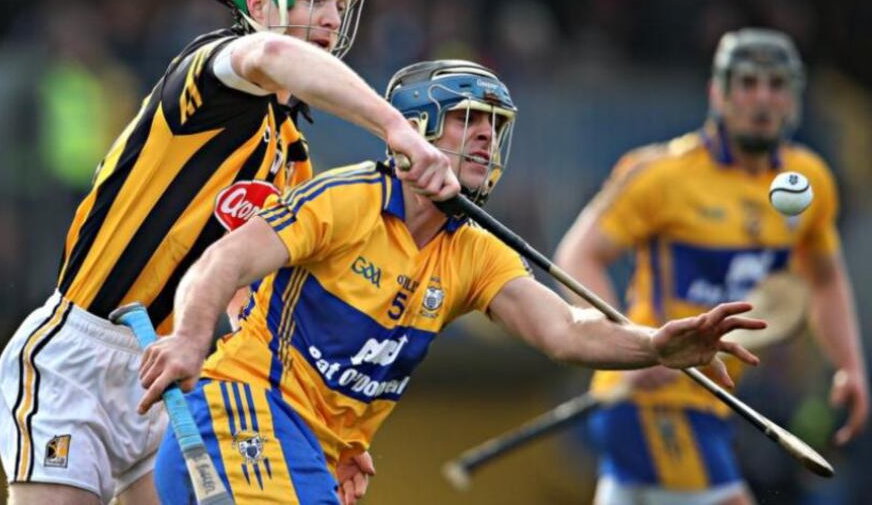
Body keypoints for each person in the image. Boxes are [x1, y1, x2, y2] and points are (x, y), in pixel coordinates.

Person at [138, 59, 765, 504]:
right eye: (468, 119)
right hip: (242, 413)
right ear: (415, 128)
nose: (487, 136)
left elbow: (565, 330)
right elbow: (221, 262)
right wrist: (189, 340)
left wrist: (655, 345)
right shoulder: (347, 200)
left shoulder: (475, 251)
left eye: (495, 125)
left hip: (308, 452)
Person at [0, 0, 459, 505]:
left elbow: (248, 303)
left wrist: (317, 425)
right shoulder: (211, 73)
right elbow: (272, 54)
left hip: (172, 369)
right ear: (258, 5)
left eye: (340, 6)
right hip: (80, 356)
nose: (331, 18)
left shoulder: (293, 157)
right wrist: (396, 127)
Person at [554, 28, 869, 505]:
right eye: (747, 83)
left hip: (714, 405)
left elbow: (824, 279)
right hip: (649, 399)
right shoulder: (659, 174)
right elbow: (577, 257)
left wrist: (849, 366)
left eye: (776, 85)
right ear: (717, 94)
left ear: (793, 100)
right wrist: (631, 344)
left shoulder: (809, 182)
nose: (762, 98)